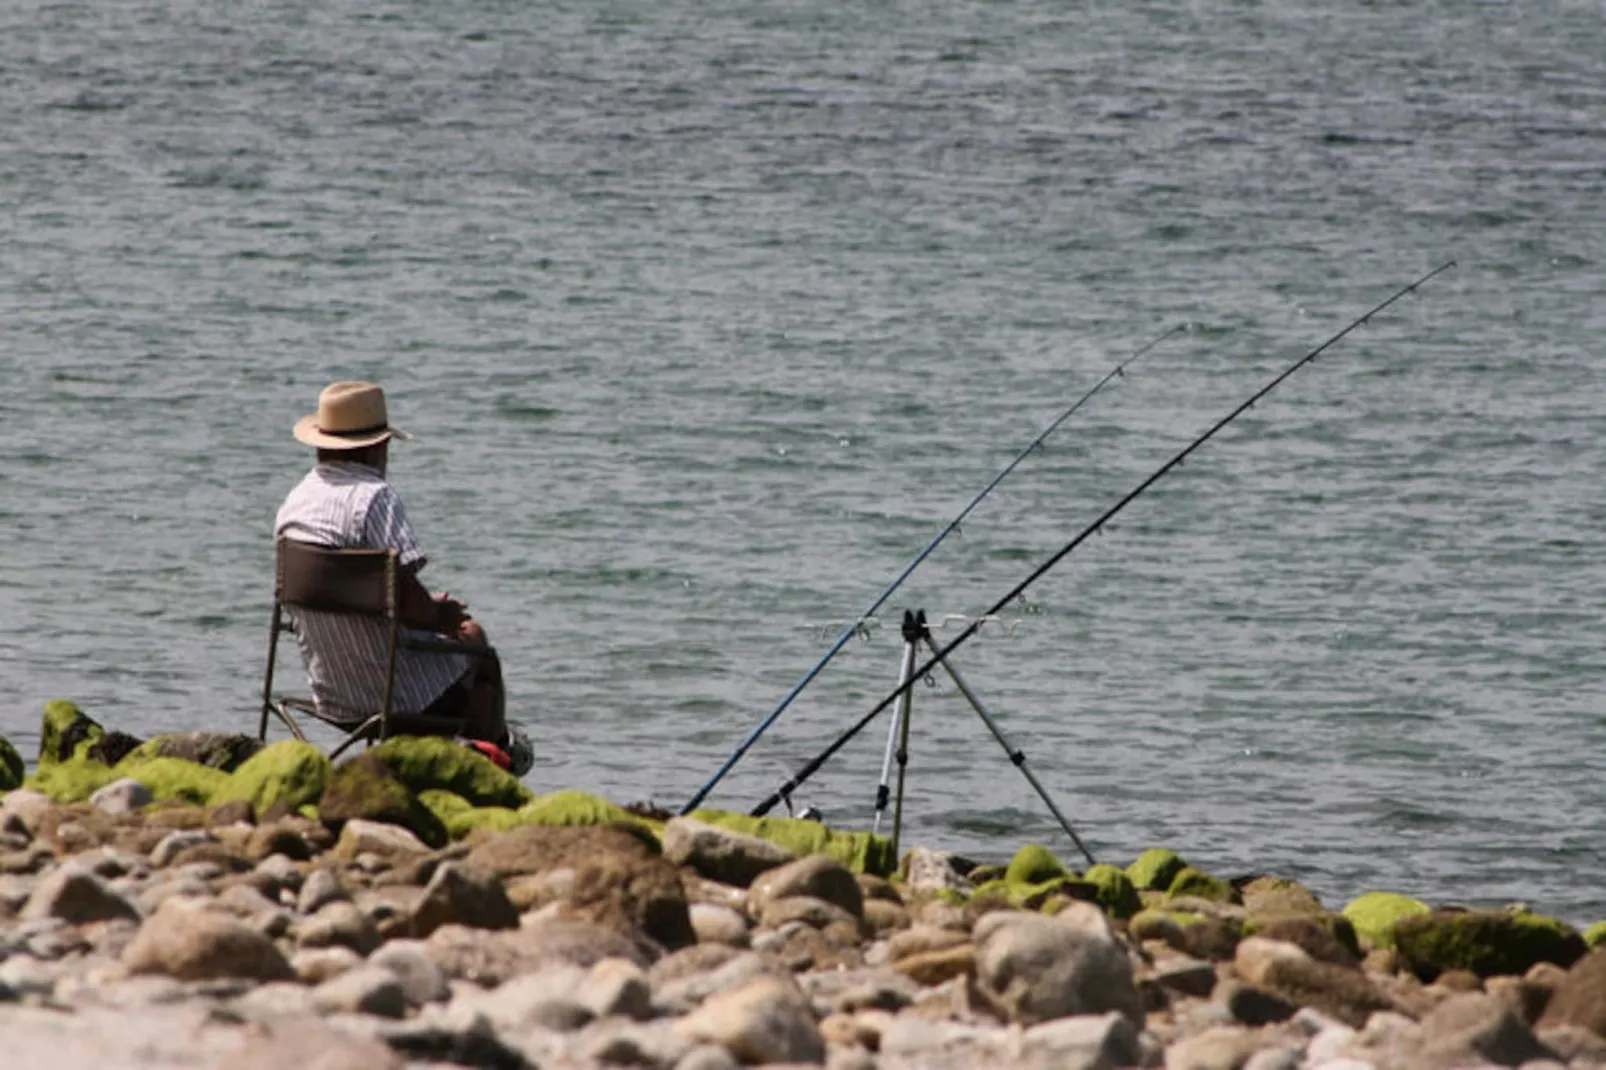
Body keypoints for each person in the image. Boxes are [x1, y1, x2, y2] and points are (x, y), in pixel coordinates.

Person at [274, 380, 532, 775]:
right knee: (476, 644)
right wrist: (442, 615)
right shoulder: (374, 497)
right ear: (376, 447)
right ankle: (488, 766)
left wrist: (420, 608)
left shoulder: (296, 501)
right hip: (395, 696)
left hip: (331, 692)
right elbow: (411, 606)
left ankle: (470, 756)